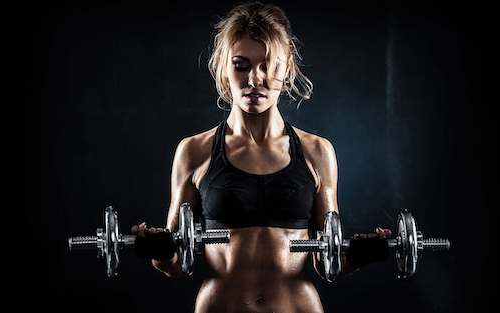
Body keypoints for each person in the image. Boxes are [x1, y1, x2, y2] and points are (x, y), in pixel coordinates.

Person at [131, 2, 391, 312]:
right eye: (242, 65)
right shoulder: (194, 151)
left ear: (288, 67)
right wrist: (157, 249)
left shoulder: (317, 152)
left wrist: (361, 255)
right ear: (224, 68)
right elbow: (174, 264)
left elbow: (328, 264)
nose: (256, 78)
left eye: (269, 65)